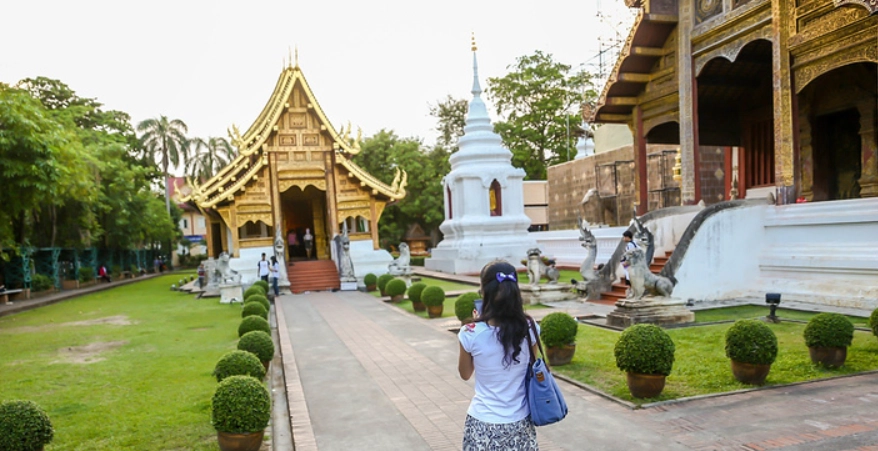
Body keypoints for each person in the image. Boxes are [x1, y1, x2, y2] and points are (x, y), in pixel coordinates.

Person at [457, 260, 540, 450]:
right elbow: (532, 366)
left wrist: (478, 321)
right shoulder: (530, 328)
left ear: (485, 292)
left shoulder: (470, 333)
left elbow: (465, 374)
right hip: (520, 423)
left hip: (482, 423)